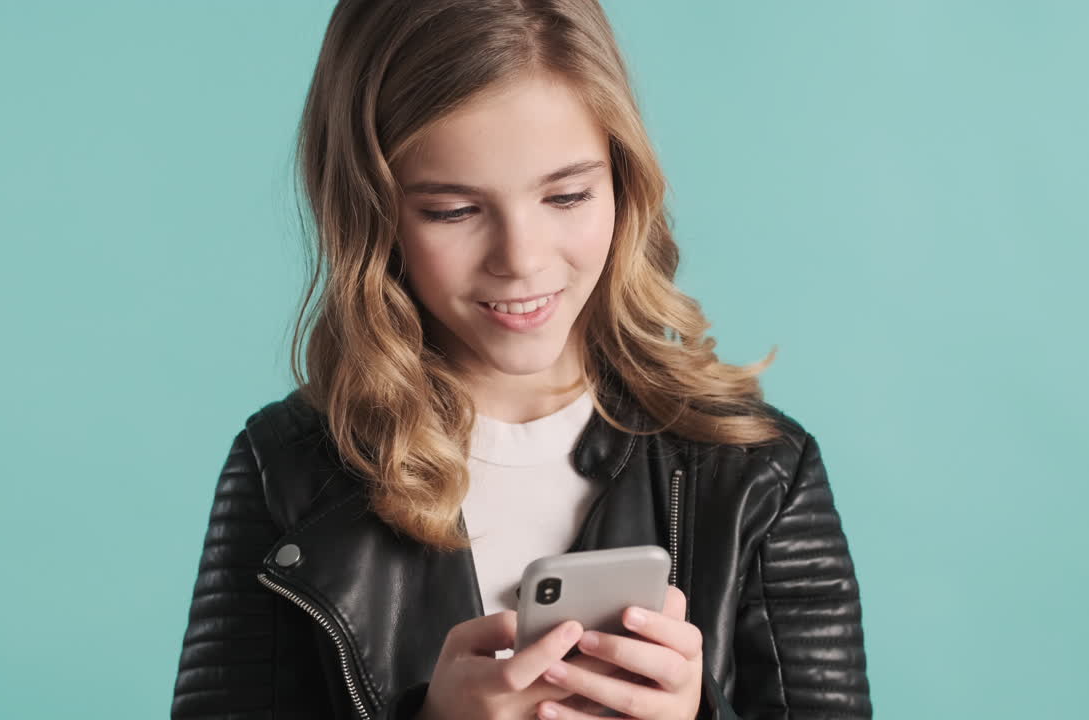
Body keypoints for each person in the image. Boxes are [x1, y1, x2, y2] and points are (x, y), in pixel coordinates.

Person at [170, 1, 872, 718]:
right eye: (453, 210)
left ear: (624, 182)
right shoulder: (284, 470)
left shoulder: (760, 471)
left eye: (567, 196)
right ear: (368, 212)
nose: (522, 260)